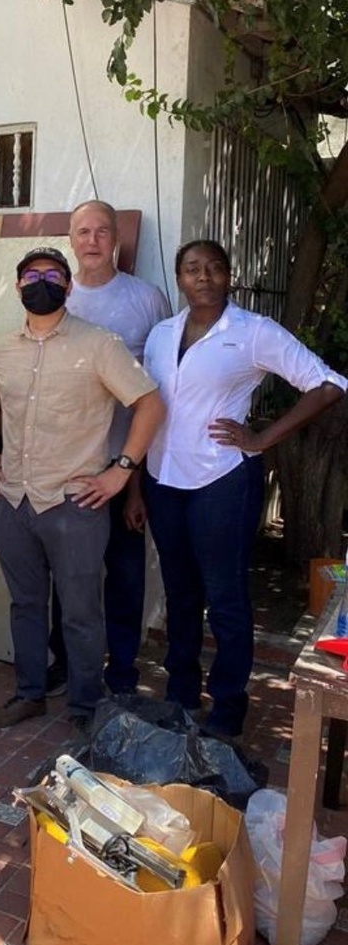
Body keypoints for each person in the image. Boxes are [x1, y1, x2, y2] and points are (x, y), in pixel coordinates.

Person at [138, 239, 346, 739]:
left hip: (221, 481)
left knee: (226, 597)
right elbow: (147, 407)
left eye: (213, 268)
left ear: (229, 276)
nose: (203, 277)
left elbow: (329, 384)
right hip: (163, 479)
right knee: (180, 594)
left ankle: (228, 708)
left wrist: (261, 438)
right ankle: (181, 697)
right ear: (179, 279)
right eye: (191, 269)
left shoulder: (253, 332)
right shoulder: (161, 334)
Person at [0, 247, 165, 732]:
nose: (42, 282)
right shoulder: (3, 348)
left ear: (68, 286)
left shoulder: (100, 344)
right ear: (18, 288)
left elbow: (149, 404)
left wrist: (120, 471)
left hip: (74, 503)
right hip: (14, 499)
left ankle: (85, 707)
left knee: (80, 611)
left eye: (53, 274)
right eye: (32, 275)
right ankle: (29, 694)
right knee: (26, 604)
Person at [47, 200, 171, 696]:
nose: (93, 240)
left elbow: (156, 393)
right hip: (68, 467)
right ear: (71, 240)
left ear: (116, 237)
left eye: (102, 231)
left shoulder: (146, 299)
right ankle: (65, 666)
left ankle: (121, 671)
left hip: (125, 466)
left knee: (123, 574)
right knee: (69, 576)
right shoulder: (55, 298)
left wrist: (134, 477)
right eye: (83, 232)